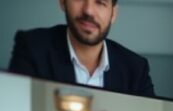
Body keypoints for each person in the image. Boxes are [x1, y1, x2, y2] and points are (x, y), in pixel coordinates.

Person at [7, 0, 155, 96]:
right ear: (63, 2)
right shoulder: (31, 47)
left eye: (100, 2)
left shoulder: (136, 69)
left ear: (113, 14)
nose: (88, 11)